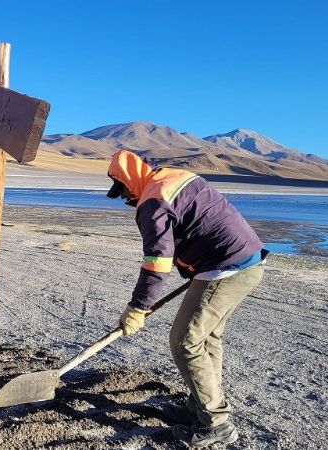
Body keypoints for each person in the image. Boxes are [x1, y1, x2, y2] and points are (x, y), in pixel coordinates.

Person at [106, 150, 267, 447]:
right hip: (247, 261)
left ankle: (217, 423)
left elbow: (157, 261)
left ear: (129, 180)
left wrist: (138, 306)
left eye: (123, 189)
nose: (125, 197)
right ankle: (200, 404)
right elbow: (199, 223)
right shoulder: (173, 177)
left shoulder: (152, 201)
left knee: (184, 341)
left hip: (225, 268)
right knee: (207, 339)